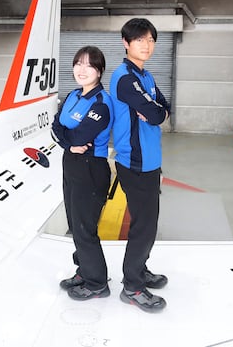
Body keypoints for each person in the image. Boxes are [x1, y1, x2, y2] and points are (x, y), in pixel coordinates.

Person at [109, 18, 171, 313]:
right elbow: (157, 116)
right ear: (126, 43)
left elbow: (164, 109)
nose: (147, 45)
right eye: (140, 39)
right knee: (143, 226)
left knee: (149, 223)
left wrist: (156, 111)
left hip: (150, 160)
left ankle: (140, 269)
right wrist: (155, 111)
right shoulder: (125, 78)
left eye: (150, 40)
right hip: (135, 162)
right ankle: (132, 287)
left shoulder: (145, 76)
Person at [52, 46, 114, 301]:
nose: (82, 69)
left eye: (89, 65)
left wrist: (66, 138)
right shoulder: (73, 95)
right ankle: (85, 270)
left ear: (99, 70)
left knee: (85, 227)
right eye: (78, 63)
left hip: (91, 168)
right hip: (71, 163)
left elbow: (79, 136)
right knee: (74, 224)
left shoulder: (101, 103)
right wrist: (67, 144)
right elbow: (54, 127)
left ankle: (97, 283)